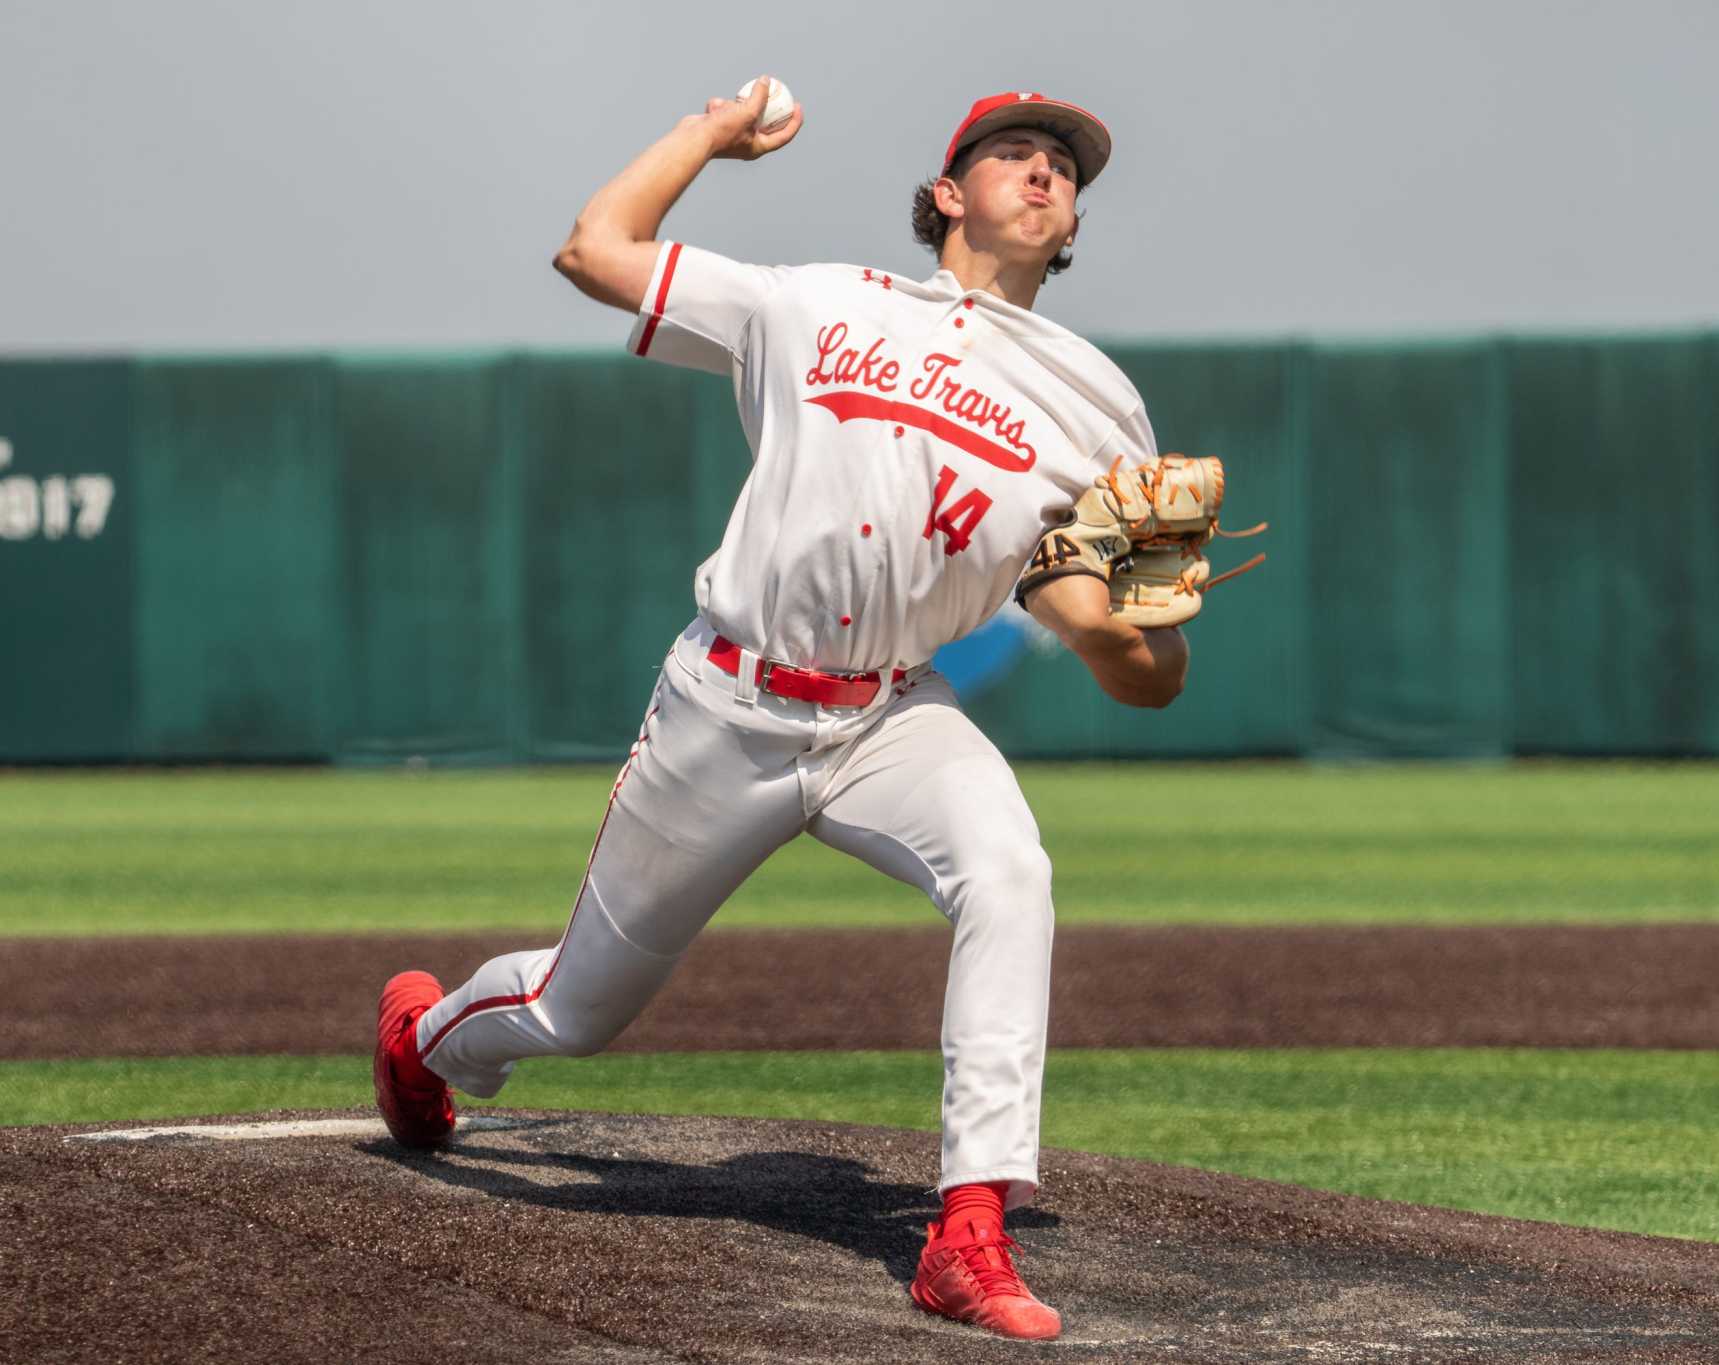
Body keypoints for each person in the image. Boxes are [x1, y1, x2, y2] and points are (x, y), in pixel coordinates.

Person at [372, 81, 1187, 1342]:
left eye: (1063, 169)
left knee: (1009, 872)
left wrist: (1103, 636)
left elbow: (1151, 672)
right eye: (1012, 154)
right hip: (727, 703)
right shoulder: (814, 302)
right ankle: (424, 1042)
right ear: (943, 192)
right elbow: (592, 251)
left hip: (888, 720)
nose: (1042, 175)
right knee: (573, 1012)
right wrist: (707, 135)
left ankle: (968, 1231)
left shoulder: (1100, 407)